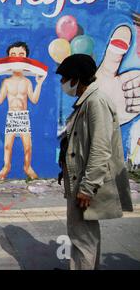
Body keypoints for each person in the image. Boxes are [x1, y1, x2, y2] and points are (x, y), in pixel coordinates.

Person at [56, 53, 133, 270]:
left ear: (76, 78)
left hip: (85, 183)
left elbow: (101, 148)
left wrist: (87, 188)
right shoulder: (88, 101)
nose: (62, 83)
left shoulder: (96, 102)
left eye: (64, 78)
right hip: (79, 180)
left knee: (82, 238)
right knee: (85, 236)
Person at [0, 41, 45, 180]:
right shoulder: (6, 82)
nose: (17, 58)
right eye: (13, 55)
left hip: (23, 115)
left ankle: (27, 166)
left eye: (21, 54)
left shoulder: (27, 81)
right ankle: (6, 166)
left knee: (27, 146)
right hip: (12, 115)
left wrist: (39, 84)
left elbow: (34, 99)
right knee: (8, 145)